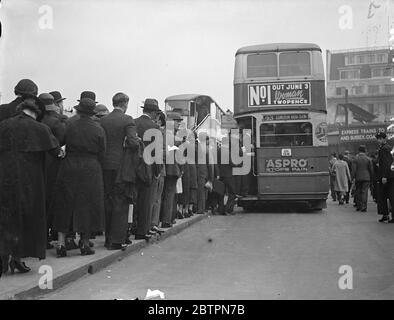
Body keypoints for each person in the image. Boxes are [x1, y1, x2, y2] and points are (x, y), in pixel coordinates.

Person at [0, 98, 60, 277]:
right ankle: (17, 258)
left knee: (6, 217)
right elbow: (56, 151)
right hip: (30, 183)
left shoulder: (4, 125)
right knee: (26, 219)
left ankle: (4, 257)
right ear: (36, 113)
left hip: (4, 178)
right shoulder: (40, 129)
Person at [51, 98, 106, 257]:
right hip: (91, 168)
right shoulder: (98, 129)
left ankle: (61, 243)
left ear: (79, 110)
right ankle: (84, 242)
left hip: (69, 165)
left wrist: (62, 153)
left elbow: (57, 142)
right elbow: (102, 152)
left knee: (65, 203)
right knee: (87, 205)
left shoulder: (68, 125)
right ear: (92, 112)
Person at [100, 93, 139, 250]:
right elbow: (133, 143)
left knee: (108, 201)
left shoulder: (103, 120)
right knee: (121, 202)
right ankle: (117, 240)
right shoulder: (127, 119)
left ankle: (107, 237)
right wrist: (136, 141)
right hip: (121, 168)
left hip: (105, 165)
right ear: (125, 104)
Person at [39, 93, 67, 249]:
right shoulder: (57, 123)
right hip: (53, 166)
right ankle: (50, 235)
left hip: (37, 165)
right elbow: (63, 142)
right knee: (51, 201)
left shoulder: (37, 120)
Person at [134, 99, 162, 240]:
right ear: (153, 113)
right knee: (146, 201)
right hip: (148, 168)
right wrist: (157, 171)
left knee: (133, 199)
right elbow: (157, 153)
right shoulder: (155, 128)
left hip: (133, 166)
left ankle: (130, 226)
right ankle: (141, 231)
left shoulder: (133, 122)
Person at [160, 112, 183, 228]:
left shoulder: (163, 132)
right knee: (169, 195)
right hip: (171, 168)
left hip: (166, 168)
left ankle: (167, 218)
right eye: (177, 121)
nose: (179, 124)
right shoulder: (169, 134)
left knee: (165, 195)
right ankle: (166, 220)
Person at [375, 132, 394, 223]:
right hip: (390, 176)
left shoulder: (384, 149)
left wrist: (384, 176)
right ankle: (386, 215)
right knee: (389, 196)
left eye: (380, 138)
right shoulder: (388, 148)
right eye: (378, 138)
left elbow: (386, 164)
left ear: (384, 139)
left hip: (387, 177)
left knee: (384, 196)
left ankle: (386, 215)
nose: (378, 140)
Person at [352, 145, 373, 212]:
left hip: (358, 177)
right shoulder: (368, 159)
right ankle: (364, 207)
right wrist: (372, 177)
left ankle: (359, 206)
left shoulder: (355, 159)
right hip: (367, 177)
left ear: (359, 150)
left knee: (358, 191)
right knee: (364, 192)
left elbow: (354, 170)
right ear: (365, 150)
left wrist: (353, 177)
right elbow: (371, 170)